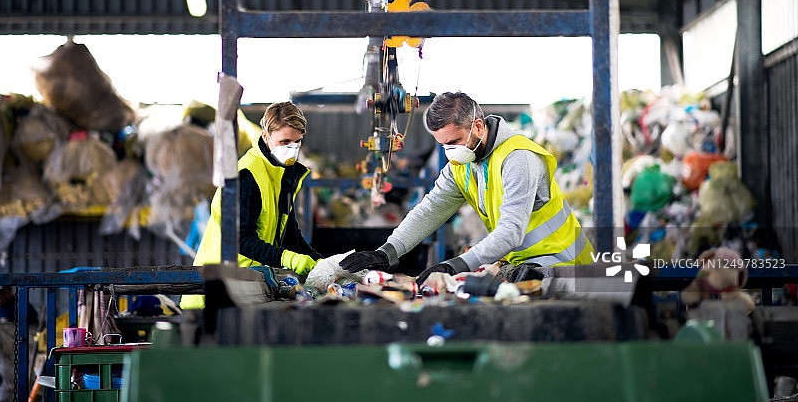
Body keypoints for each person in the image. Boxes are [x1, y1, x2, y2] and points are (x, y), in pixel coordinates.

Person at [340, 91, 594, 284]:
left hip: (565, 266)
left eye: (454, 141)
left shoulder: (518, 158)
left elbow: (510, 232)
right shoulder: (462, 164)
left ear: (479, 126)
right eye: (443, 145)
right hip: (528, 266)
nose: (450, 151)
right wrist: (389, 251)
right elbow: (431, 209)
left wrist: (455, 266)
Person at [180, 101, 322, 309]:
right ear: (266, 137)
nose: (292, 149)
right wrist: (290, 259)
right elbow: (241, 240)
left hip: (246, 286)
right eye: (284, 142)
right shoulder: (248, 175)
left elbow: (290, 234)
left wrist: (323, 264)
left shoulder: (281, 175)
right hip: (216, 293)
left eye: (297, 142)